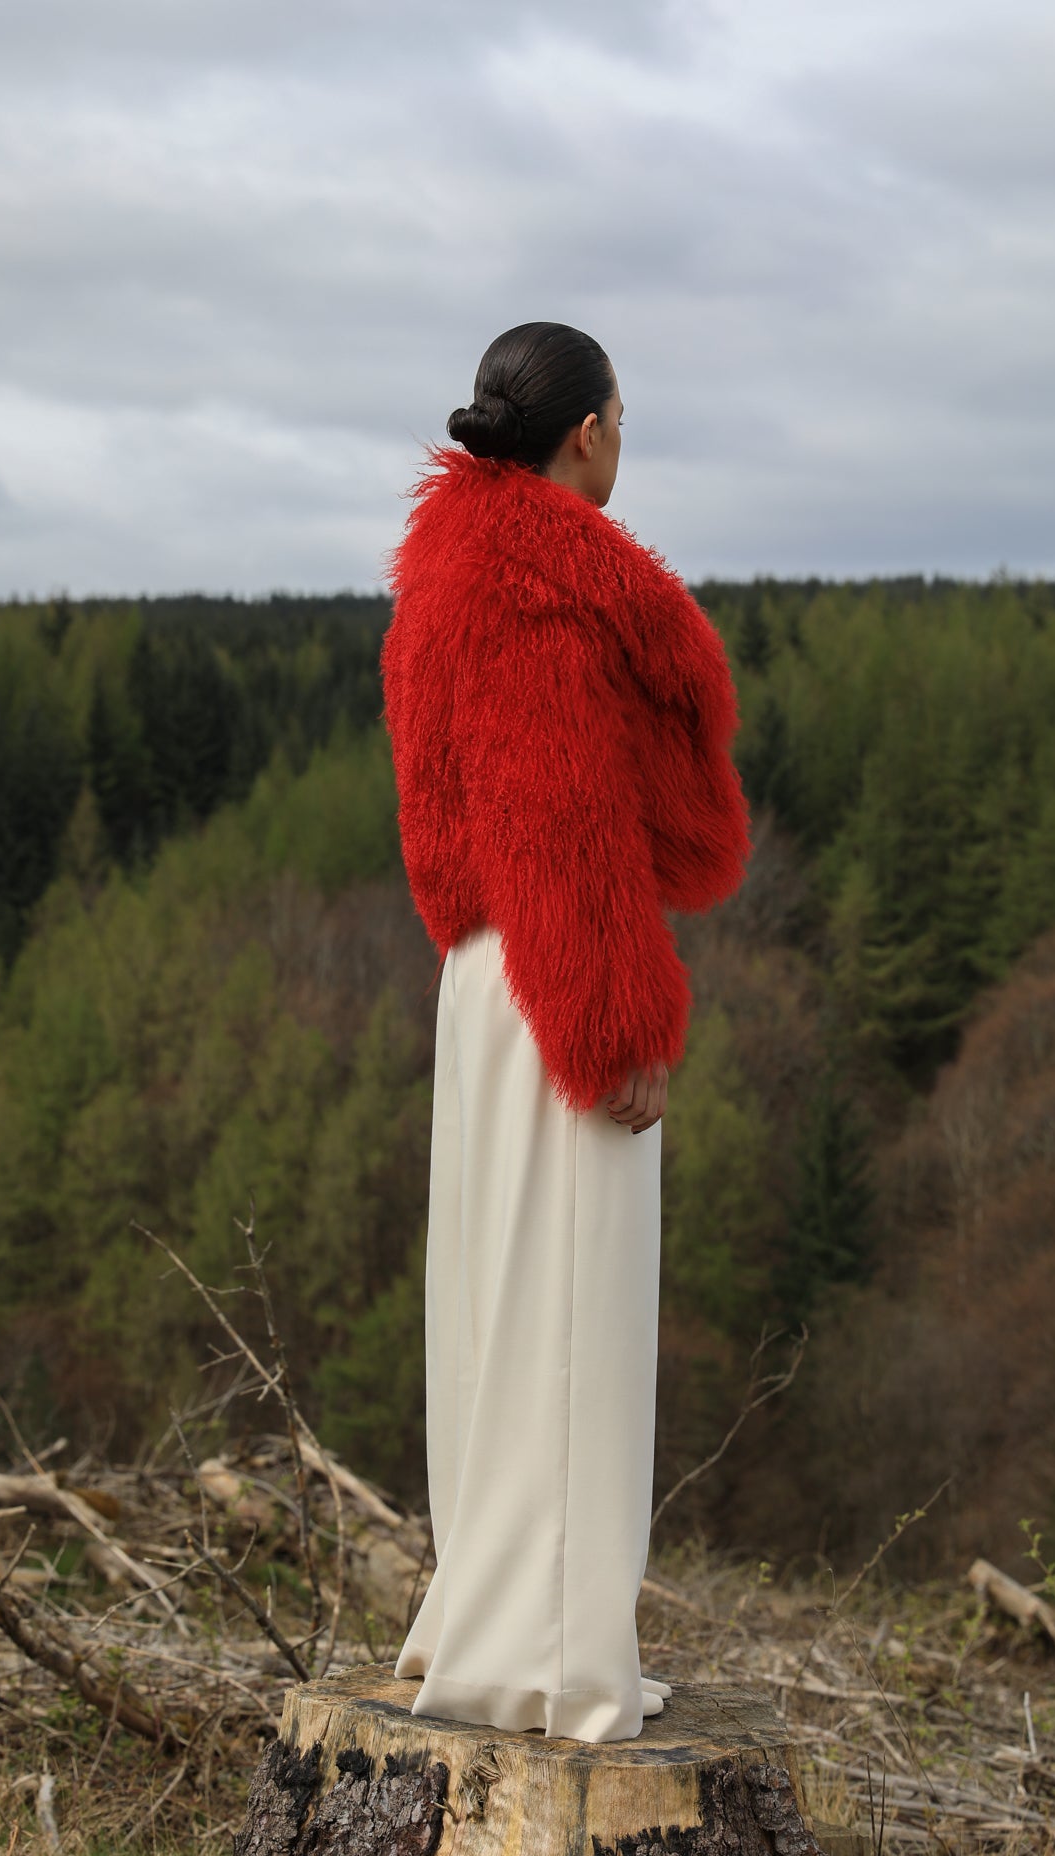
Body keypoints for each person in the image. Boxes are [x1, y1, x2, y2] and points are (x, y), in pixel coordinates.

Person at [381, 321, 752, 1742]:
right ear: (589, 428)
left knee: (492, 1310)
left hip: (482, 970)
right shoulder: (547, 582)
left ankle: (492, 1619)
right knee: (569, 1322)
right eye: (623, 420)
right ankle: (548, 1658)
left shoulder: (447, 568)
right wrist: (620, 1019)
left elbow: (455, 808)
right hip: (555, 971)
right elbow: (559, 814)